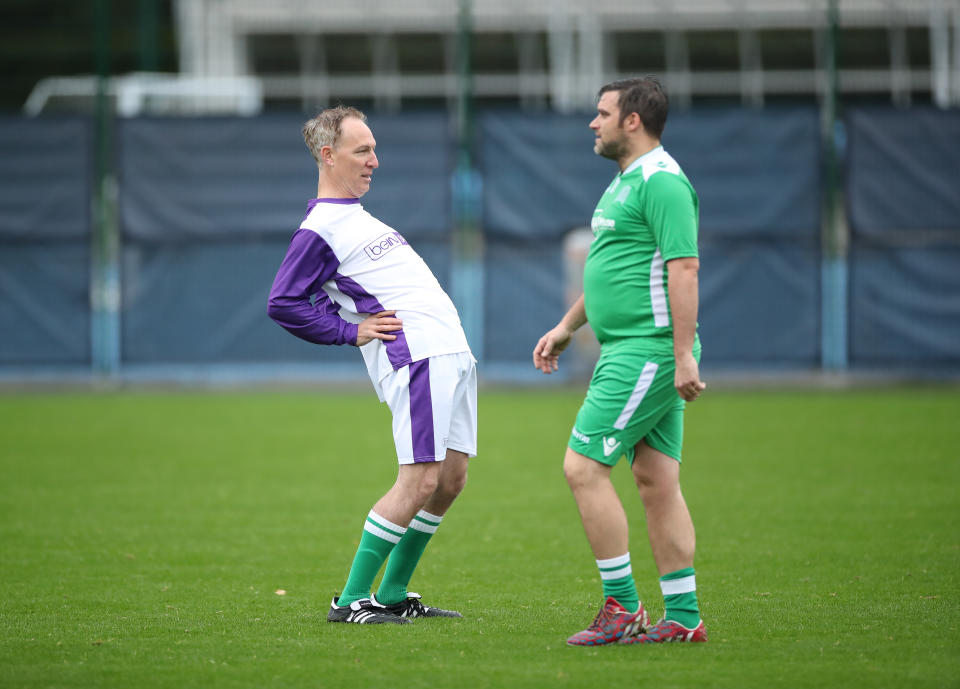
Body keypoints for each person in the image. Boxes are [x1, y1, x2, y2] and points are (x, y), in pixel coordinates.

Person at [268, 106, 477, 625]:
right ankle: (350, 599)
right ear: (327, 155)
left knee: (450, 479)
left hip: (449, 351)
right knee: (420, 480)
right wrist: (350, 330)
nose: (374, 161)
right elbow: (283, 302)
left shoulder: (355, 218)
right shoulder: (319, 229)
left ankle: (393, 594)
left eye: (374, 149)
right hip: (417, 354)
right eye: (362, 151)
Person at [533, 77, 707, 646]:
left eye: (603, 113)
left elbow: (684, 268)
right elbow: (612, 270)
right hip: (632, 349)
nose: (594, 122)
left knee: (582, 468)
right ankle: (682, 617)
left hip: (646, 351)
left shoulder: (662, 183)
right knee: (656, 480)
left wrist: (681, 354)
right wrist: (566, 327)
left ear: (633, 120)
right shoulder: (624, 182)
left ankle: (623, 608)